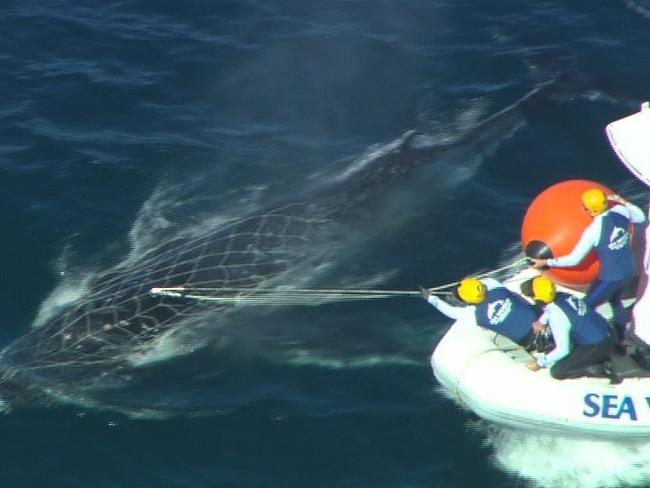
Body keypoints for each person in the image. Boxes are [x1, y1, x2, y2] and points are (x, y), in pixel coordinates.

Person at [531, 189, 646, 347]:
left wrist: (547, 262)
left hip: (610, 277)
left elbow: (574, 259)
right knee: (615, 301)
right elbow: (640, 217)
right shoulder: (620, 210)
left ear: (589, 210)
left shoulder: (594, 230)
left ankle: (595, 340)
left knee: (583, 309)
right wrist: (623, 201)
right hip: (628, 270)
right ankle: (621, 338)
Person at [526, 275, 616, 381]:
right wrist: (541, 322)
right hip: (608, 333)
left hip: (599, 345)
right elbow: (551, 309)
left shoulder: (556, 316)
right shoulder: (563, 296)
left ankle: (598, 369)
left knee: (558, 371)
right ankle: (598, 358)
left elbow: (563, 350)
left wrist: (539, 363)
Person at [421, 276, 543, 350]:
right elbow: (485, 281)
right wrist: (469, 283)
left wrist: (431, 299)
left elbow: (452, 312)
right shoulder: (495, 285)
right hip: (540, 319)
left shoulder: (474, 315)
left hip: (528, 341)